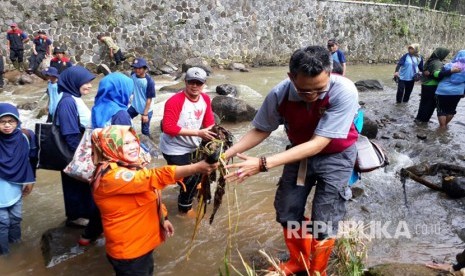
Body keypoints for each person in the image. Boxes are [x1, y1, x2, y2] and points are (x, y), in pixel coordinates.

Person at [224, 46, 359, 276]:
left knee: (324, 218)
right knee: (287, 209)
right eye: (305, 91)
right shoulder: (280, 94)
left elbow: (319, 143)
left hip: (336, 156)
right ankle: (299, 260)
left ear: (329, 74)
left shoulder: (344, 91)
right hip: (298, 153)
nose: (313, 95)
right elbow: (261, 129)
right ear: (291, 77)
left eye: (320, 89)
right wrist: (225, 155)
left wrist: (262, 163)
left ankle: (317, 270)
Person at [91, 125, 216, 275]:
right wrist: (195, 168)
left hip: (141, 246)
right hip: (130, 252)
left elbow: (150, 193)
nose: (133, 147)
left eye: (134, 141)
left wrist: (164, 218)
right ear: (110, 146)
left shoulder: (128, 165)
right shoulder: (111, 177)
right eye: (125, 143)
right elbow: (153, 177)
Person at [78, 72, 134, 246]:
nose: (131, 94)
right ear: (121, 91)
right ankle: (113, 240)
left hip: (99, 163)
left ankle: (88, 236)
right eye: (129, 90)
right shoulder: (120, 114)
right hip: (116, 167)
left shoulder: (99, 106)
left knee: (102, 201)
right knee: (116, 204)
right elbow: (125, 146)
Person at [159, 67, 216, 216]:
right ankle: (184, 208)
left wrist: (214, 136)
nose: (195, 86)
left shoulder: (205, 99)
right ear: (185, 82)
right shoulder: (175, 101)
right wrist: (198, 132)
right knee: (189, 180)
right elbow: (168, 127)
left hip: (192, 145)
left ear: (204, 84)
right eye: (192, 82)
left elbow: (209, 121)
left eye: (199, 83)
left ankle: (178, 181)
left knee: (193, 175)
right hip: (173, 148)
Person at [55, 66, 96, 227]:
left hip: (76, 150)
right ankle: (75, 217)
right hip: (72, 152)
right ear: (74, 82)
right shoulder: (67, 102)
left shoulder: (71, 97)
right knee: (75, 185)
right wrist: (82, 156)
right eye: (85, 82)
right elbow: (70, 133)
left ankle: (82, 214)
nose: (90, 85)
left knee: (80, 185)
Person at [0, 103, 36, 255]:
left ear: (17, 121)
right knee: (3, 222)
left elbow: (32, 159)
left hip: (17, 184)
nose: (7, 125)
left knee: (16, 218)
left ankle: (16, 247)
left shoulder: (26, 137)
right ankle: (5, 254)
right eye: (2, 122)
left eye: (11, 121)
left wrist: (31, 180)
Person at [415, 47, 450, 123]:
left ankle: (418, 119)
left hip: (425, 84)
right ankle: (424, 121)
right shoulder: (437, 63)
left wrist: (429, 74)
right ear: (441, 54)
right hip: (432, 86)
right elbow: (437, 75)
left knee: (423, 103)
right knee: (430, 104)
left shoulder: (430, 60)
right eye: (445, 55)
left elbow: (425, 72)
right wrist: (450, 72)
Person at [435, 50, 465, 129]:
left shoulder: (449, 65)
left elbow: (439, 76)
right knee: (451, 110)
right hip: (458, 92)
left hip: (443, 91)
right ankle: (444, 126)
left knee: (441, 110)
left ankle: (442, 127)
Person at [127, 58, 155, 137]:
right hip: (135, 105)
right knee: (124, 119)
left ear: (145, 69)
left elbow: (149, 99)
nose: (137, 70)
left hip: (146, 109)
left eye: (139, 68)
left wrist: (145, 114)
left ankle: (149, 147)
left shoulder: (149, 82)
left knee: (145, 131)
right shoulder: (133, 74)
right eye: (135, 68)